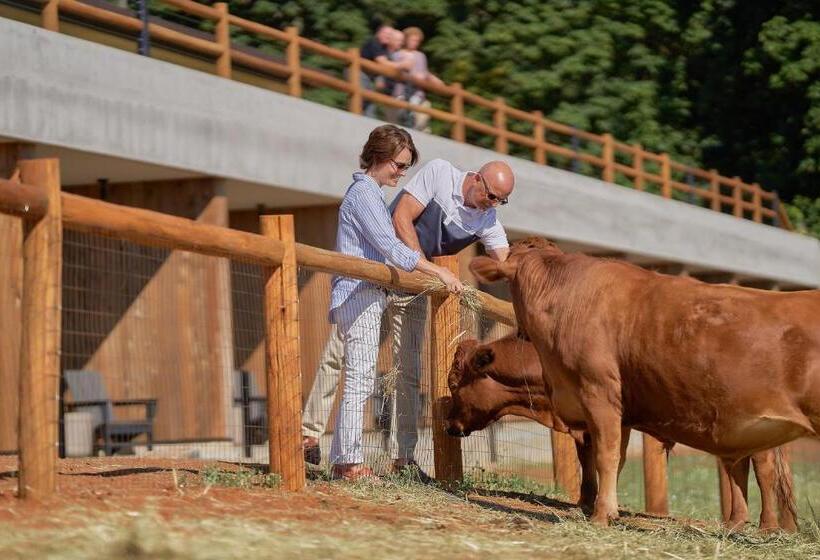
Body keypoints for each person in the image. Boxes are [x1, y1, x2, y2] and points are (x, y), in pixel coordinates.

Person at [304, 156, 515, 481]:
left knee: (409, 371)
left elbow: (504, 261)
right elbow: (402, 216)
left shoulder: (488, 221)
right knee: (338, 353)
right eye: (491, 196)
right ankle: (308, 434)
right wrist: (423, 267)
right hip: (381, 270)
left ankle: (402, 457)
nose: (493, 204)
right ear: (476, 179)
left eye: (501, 200)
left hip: (417, 288)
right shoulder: (440, 174)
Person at [328, 125, 462, 481]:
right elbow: (391, 247)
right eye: (399, 165)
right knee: (358, 379)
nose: (401, 174)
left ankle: (346, 459)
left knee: (360, 377)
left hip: (367, 294)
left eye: (405, 167)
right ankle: (348, 463)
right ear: (380, 157)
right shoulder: (364, 194)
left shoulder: (370, 193)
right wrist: (438, 272)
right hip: (359, 293)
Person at [393, 27, 443, 131]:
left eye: (417, 41)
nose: (415, 43)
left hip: (417, 94)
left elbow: (424, 72)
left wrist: (435, 80)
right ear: (406, 39)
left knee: (420, 118)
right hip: (402, 91)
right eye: (413, 40)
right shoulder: (397, 54)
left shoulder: (420, 56)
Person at [359, 23, 413, 119]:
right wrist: (402, 65)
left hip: (368, 77)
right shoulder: (375, 43)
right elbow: (383, 63)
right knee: (362, 99)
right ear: (378, 33)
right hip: (360, 73)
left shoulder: (384, 48)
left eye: (389, 35)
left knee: (369, 102)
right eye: (385, 33)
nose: (387, 36)